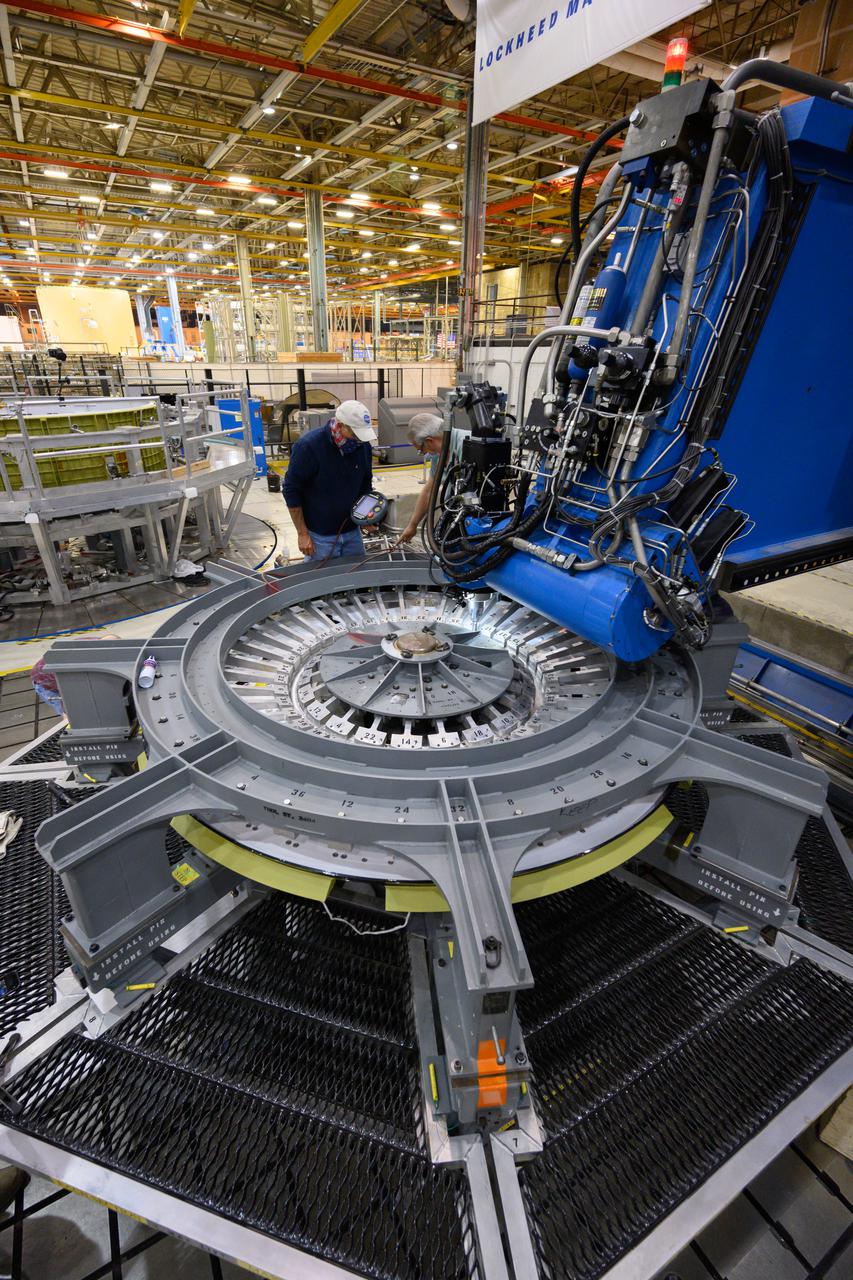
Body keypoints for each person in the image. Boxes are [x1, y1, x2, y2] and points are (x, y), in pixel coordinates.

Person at [284, 400, 378, 561]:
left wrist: (365, 518)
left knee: (356, 579)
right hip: (320, 537)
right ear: (340, 426)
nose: (358, 440)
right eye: (355, 434)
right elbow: (291, 490)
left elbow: (365, 485)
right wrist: (302, 533)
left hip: (352, 532)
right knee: (322, 582)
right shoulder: (309, 447)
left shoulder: (362, 447)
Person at [399, 412, 444, 545]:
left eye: (421, 450)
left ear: (429, 440)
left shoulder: (466, 446)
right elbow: (429, 491)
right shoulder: (438, 455)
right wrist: (412, 525)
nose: (424, 454)